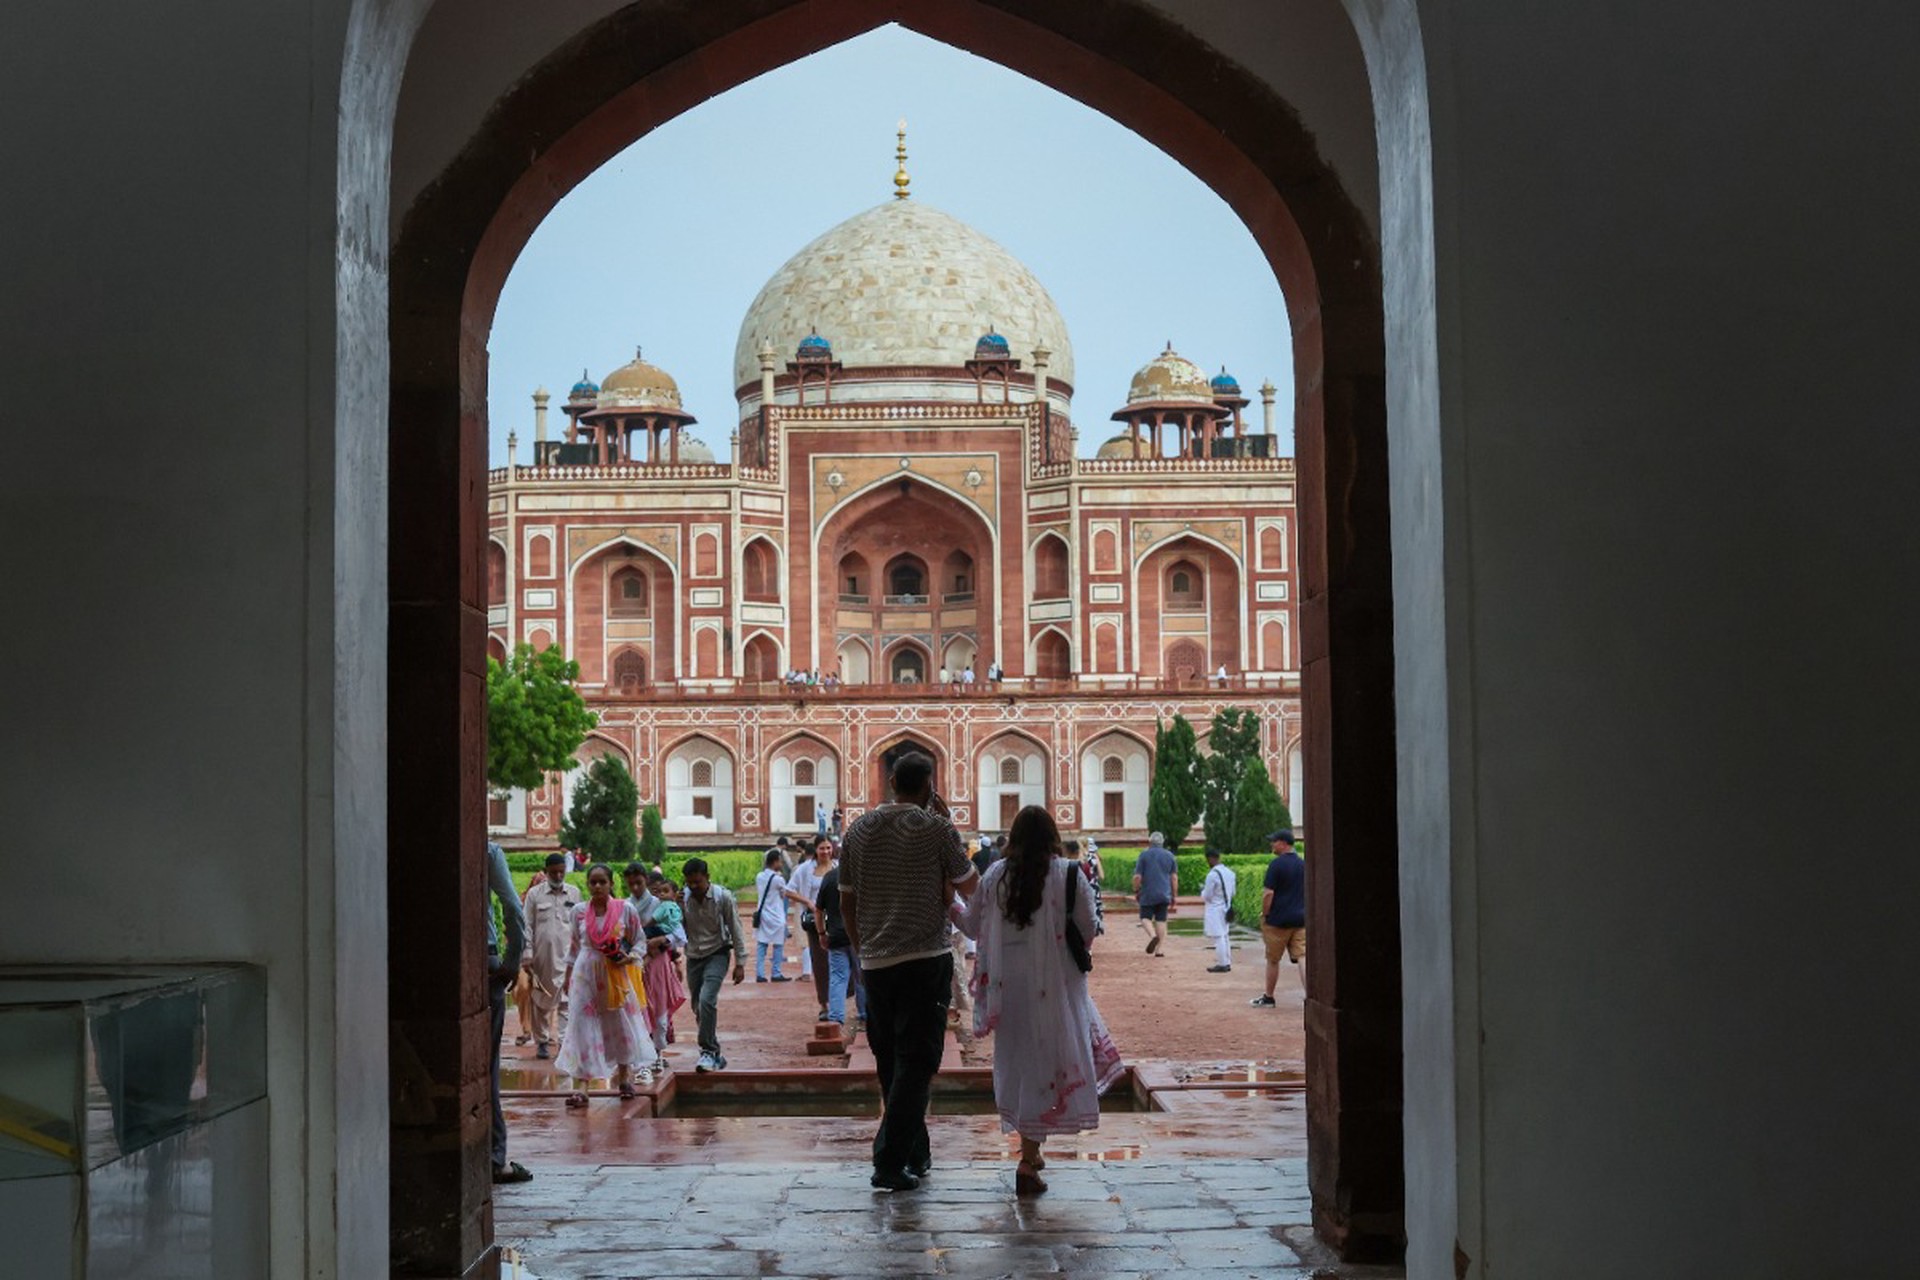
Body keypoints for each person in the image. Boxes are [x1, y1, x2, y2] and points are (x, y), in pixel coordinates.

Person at [957, 806, 1122, 1197]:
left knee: (1022, 1063)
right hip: (1059, 987)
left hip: (1009, 989)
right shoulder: (1068, 874)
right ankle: (1028, 1160)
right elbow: (1087, 928)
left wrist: (947, 899)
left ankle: (1031, 1151)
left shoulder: (996, 874)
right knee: (1050, 1060)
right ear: (1052, 835)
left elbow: (970, 925)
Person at [840, 751, 979, 1192]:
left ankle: (914, 1154)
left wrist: (863, 951)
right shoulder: (936, 828)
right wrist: (946, 823)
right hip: (924, 960)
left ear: (892, 782)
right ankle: (888, 1162)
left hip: (877, 963)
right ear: (928, 787)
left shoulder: (858, 830)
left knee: (891, 1062)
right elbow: (971, 885)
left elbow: (847, 901)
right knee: (917, 1063)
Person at [556, 863, 655, 1106]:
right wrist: (568, 977)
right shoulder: (579, 911)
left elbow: (640, 941)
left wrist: (629, 957)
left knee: (620, 1023)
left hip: (614, 974)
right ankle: (582, 1087)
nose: (598, 886)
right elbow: (574, 948)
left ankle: (624, 1077)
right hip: (585, 973)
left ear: (611, 884)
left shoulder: (625, 910)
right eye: (593, 882)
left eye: (602, 882)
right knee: (581, 1026)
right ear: (588, 885)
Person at [484, 840, 531, 1184]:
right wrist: (512, 962)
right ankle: (494, 1158)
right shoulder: (486, 850)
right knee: (486, 1068)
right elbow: (513, 909)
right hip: (483, 963)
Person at [680, 857, 748, 1071]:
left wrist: (740, 962)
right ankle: (715, 1053)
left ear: (707, 878)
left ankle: (707, 1051)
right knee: (698, 1007)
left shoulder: (723, 898)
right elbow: (676, 928)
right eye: (689, 883)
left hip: (717, 953)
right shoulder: (682, 899)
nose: (693, 887)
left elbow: (736, 928)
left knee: (707, 1000)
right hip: (693, 956)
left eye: (697, 882)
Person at [521, 852, 581, 1059]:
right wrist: (527, 953)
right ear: (546, 872)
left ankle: (565, 1041)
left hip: (568, 957)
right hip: (542, 956)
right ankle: (542, 1041)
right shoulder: (535, 895)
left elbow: (579, 927)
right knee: (540, 999)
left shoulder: (574, 893)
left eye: (561, 872)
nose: (558, 876)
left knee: (567, 999)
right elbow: (526, 925)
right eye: (553, 872)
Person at [628, 863, 687, 1062]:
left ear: (646, 880)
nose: (635, 888)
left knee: (659, 1010)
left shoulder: (660, 903)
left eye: (639, 883)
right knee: (636, 1010)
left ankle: (658, 1053)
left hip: (658, 964)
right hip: (633, 964)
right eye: (631, 884)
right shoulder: (624, 905)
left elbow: (678, 935)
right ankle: (642, 1055)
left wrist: (661, 941)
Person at [1253, 829, 1306, 1007]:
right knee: (1302, 957)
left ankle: (1269, 997)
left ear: (1283, 843)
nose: (1272, 844)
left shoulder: (1276, 865)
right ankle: (1311, 997)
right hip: (1300, 918)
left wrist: (1265, 913)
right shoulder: (1302, 864)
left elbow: (1268, 894)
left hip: (1278, 920)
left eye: (1274, 841)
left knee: (1273, 960)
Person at [785, 835, 836, 1017]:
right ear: (815, 849)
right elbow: (788, 891)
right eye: (822, 848)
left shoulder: (838, 868)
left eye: (828, 848)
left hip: (837, 922)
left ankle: (839, 1002)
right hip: (816, 922)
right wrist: (809, 903)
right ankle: (824, 1004)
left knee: (841, 961)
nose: (826, 852)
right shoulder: (805, 870)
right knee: (821, 964)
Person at [815, 858, 868, 1031]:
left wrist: (821, 933)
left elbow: (818, 909)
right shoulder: (861, 876)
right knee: (861, 976)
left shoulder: (829, 877)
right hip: (858, 936)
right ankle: (865, 1013)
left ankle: (836, 1017)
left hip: (836, 936)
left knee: (838, 977)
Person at [1132, 831, 1178, 956]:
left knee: (1145, 918)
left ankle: (1153, 936)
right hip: (1164, 893)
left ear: (1150, 842)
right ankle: (1159, 950)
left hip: (1148, 892)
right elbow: (1174, 878)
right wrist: (1174, 895)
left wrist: (1136, 890)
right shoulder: (1170, 856)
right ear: (1162, 842)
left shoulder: (1144, 855)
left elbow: (1137, 877)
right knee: (1161, 920)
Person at [752, 849, 791, 981]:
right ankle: (776, 973)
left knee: (762, 945)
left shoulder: (759, 876)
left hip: (763, 915)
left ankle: (760, 974)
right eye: (780, 861)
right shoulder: (778, 879)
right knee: (778, 945)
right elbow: (783, 894)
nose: (781, 863)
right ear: (775, 862)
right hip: (776, 915)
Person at [1200, 847, 1239, 973]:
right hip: (1226, 907)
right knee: (1225, 936)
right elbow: (1233, 892)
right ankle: (1226, 962)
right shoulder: (1230, 873)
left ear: (1211, 859)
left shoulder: (1212, 875)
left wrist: (1202, 893)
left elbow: (1207, 896)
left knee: (1218, 937)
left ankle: (1222, 963)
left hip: (1215, 908)